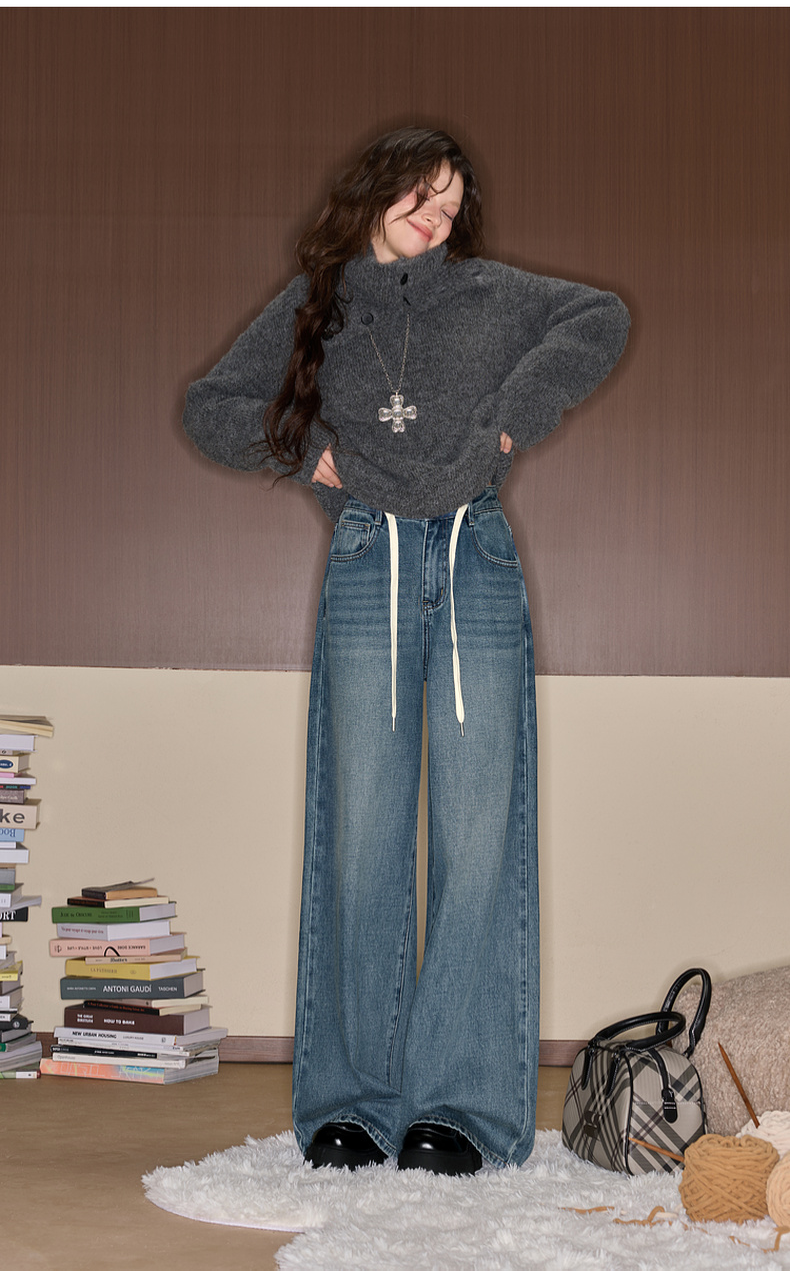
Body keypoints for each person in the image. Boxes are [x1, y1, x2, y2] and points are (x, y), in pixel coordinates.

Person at [183, 126, 630, 1176]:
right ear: (375, 192)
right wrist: (309, 455)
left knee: (477, 837)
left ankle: (460, 1109)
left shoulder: (490, 292)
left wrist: (514, 418)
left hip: (473, 558)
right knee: (363, 834)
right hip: (365, 562)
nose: (434, 216)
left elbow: (600, 316)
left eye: (450, 203)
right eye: (420, 195)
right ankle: (353, 1102)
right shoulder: (318, 302)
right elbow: (211, 409)